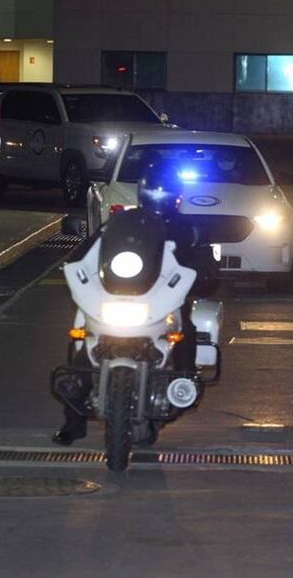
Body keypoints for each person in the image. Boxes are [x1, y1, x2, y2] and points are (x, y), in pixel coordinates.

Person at [52, 163, 216, 445]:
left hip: (162, 299)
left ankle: (185, 381)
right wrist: (76, 261)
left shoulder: (186, 227)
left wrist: (204, 271)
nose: (159, 198)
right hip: (117, 296)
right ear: (143, 192)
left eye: (165, 194)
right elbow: (95, 246)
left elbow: (203, 258)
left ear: (176, 197)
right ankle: (74, 420)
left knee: (185, 327)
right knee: (83, 337)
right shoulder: (123, 221)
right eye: (155, 192)